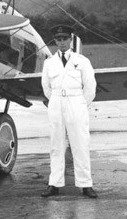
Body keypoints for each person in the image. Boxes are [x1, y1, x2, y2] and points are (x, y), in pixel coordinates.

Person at [40, 24, 98, 198]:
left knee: (80, 143)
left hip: (76, 102)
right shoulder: (49, 63)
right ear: (55, 41)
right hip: (56, 101)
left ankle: (86, 184)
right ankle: (54, 184)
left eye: (65, 38)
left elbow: (90, 88)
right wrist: (56, 101)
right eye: (58, 39)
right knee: (56, 145)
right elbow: (46, 88)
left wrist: (80, 103)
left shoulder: (82, 61)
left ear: (70, 40)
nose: (62, 42)